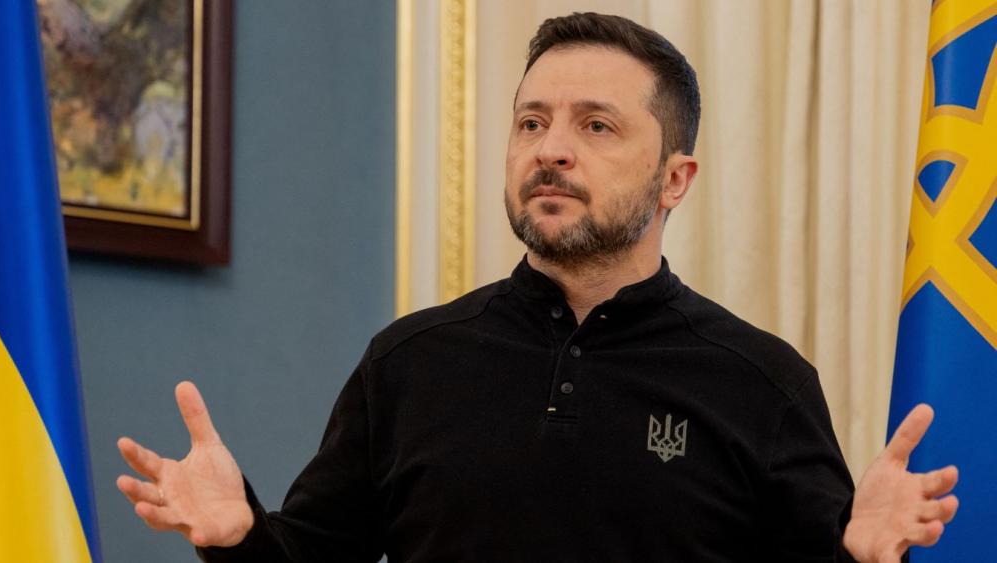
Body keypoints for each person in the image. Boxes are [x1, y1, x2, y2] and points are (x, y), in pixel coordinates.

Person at [116, 13, 958, 562]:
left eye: (596, 125)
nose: (551, 148)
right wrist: (237, 536)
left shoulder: (764, 384)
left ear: (675, 178)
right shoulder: (406, 363)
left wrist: (862, 557)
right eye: (531, 122)